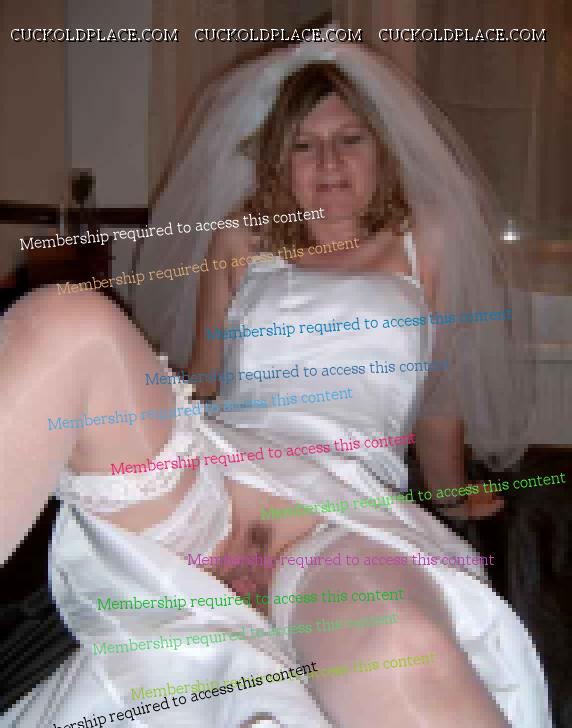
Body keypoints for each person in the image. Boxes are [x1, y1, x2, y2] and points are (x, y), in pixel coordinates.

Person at [1, 42, 549, 727]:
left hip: (337, 513)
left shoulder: (424, 241)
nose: (329, 163)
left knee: (399, 645)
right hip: (207, 487)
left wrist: (449, 494)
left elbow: (440, 395)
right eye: (303, 146)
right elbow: (203, 383)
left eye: (350, 140)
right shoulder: (241, 238)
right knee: (65, 321)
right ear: (277, 163)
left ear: (382, 150)